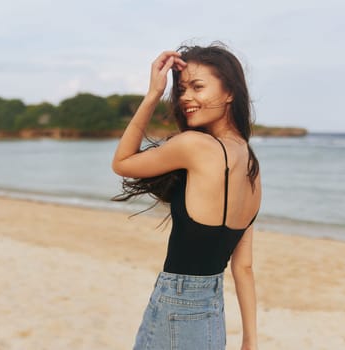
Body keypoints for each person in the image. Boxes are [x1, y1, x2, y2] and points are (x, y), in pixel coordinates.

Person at [112, 43, 261, 350]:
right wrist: (250, 339)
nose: (185, 98)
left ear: (230, 92)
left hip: (176, 305)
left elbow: (122, 163)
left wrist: (153, 93)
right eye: (180, 89)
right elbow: (243, 266)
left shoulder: (193, 145)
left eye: (197, 86)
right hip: (212, 309)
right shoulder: (251, 166)